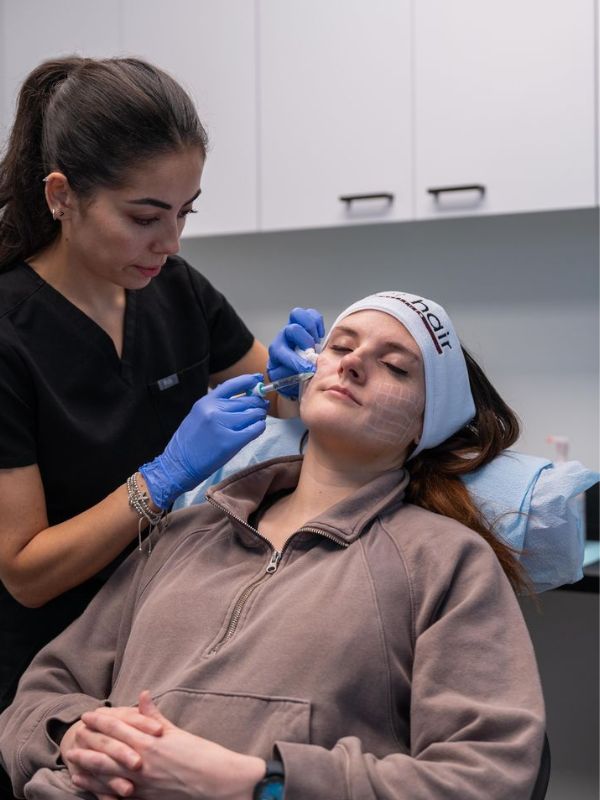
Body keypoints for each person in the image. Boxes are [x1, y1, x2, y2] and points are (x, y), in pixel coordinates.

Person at [0, 291, 546, 800]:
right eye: (340, 345)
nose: (352, 363)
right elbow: (42, 693)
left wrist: (256, 782)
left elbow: (489, 772)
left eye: (396, 366)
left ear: (426, 425)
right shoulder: (184, 534)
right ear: (304, 376)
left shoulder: (444, 560)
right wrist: (71, 736)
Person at [0, 55, 324, 718]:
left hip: (158, 648)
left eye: (184, 213)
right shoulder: (10, 335)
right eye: (145, 217)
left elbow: (274, 392)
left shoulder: (174, 289)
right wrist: (162, 479)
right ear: (62, 197)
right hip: (43, 674)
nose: (170, 243)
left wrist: (301, 376)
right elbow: (25, 573)